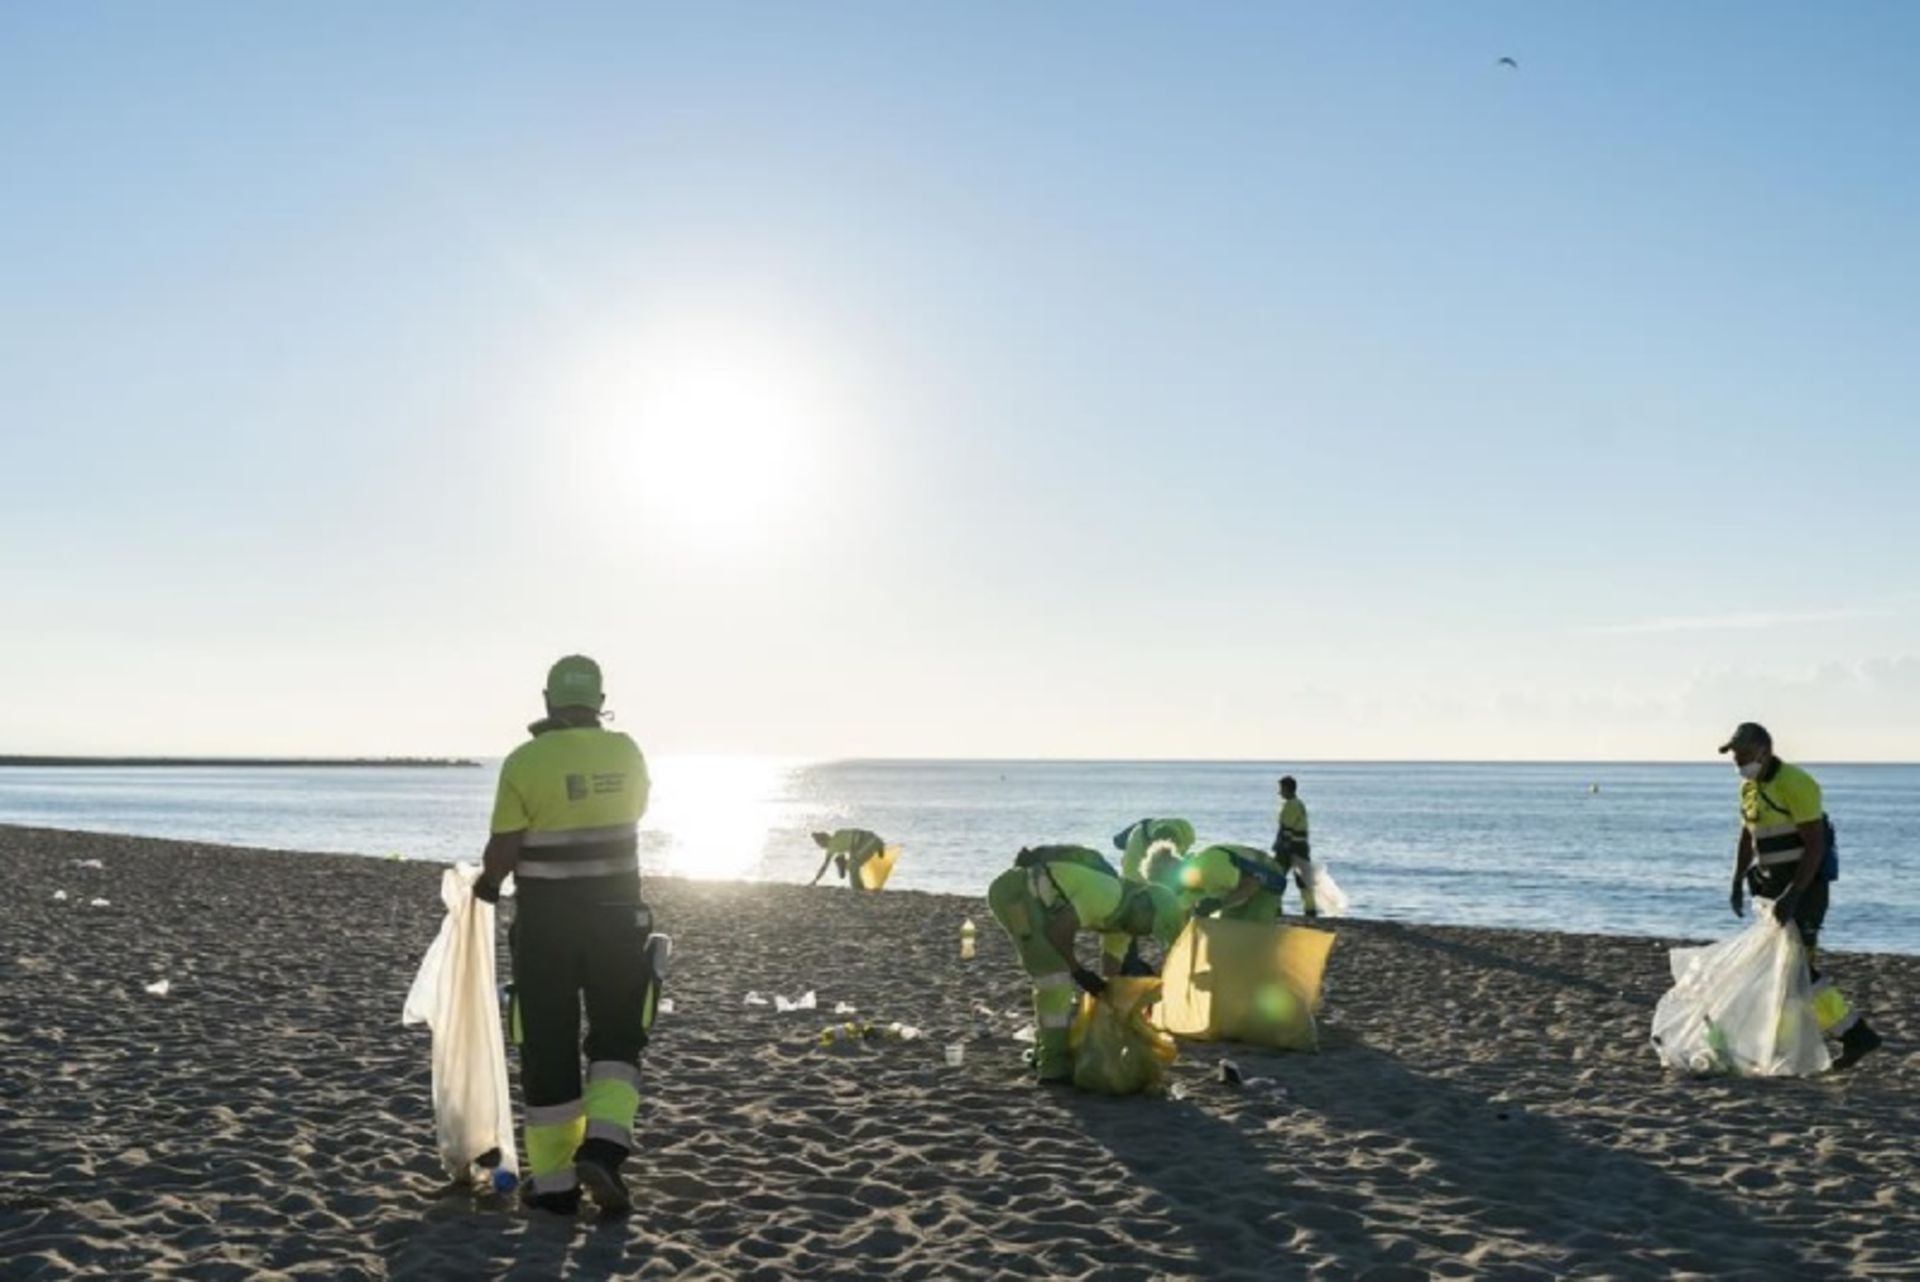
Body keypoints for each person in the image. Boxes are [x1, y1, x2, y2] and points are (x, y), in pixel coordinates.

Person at [474, 655, 661, 1213]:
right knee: (617, 1038)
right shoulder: (626, 751)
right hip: (616, 920)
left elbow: (505, 850)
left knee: (547, 1045)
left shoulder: (525, 761)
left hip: (547, 928)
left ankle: (554, 1188)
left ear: (547, 700)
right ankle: (602, 1152)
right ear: (600, 701)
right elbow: (637, 808)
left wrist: (486, 886)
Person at [1720, 722, 1881, 1071]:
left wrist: (1794, 893)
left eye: (1743, 753)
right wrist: (1737, 880)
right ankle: (1784, 1043)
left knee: (1799, 971)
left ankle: (1856, 1035)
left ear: (1763, 751)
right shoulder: (1748, 787)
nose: (1737, 760)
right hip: (1770, 890)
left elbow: (1815, 845)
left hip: (1805, 891)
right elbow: (1748, 837)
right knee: (1782, 970)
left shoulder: (1796, 783)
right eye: (1734, 753)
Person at [985, 845, 1187, 1083]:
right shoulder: (1108, 894)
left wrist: (1115, 1005)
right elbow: (1059, 931)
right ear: (1145, 904)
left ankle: (1045, 1054)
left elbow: (1111, 975)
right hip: (1015, 894)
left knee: (1056, 980)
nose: (1144, 933)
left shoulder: (1122, 925)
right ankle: (1052, 1067)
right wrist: (1078, 971)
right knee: (1054, 979)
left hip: (1038, 902)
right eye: (1150, 925)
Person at [1273, 776, 1319, 918]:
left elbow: (1286, 828)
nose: (1279, 792)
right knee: (1304, 879)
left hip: (1290, 847)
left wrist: (1281, 846)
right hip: (1301, 846)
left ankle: (1276, 908)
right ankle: (1310, 909)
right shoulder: (1299, 804)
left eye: (1281, 789)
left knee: (1276, 877)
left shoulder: (1290, 805)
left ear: (1287, 789)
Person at [1111, 817, 1196, 890]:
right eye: (1188, 846)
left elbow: (1118, 842)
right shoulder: (1169, 832)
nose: (1187, 849)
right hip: (1142, 888)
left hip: (1127, 884)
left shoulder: (1146, 826)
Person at [808, 828, 888, 889]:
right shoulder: (838, 834)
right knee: (852, 865)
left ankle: (858, 889)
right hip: (870, 839)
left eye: (818, 844)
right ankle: (857, 886)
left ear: (823, 841)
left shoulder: (832, 847)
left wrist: (815, 880)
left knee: (853, 865)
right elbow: (853, 838)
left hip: (869, 842)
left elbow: (824, 866)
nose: (820, 846)